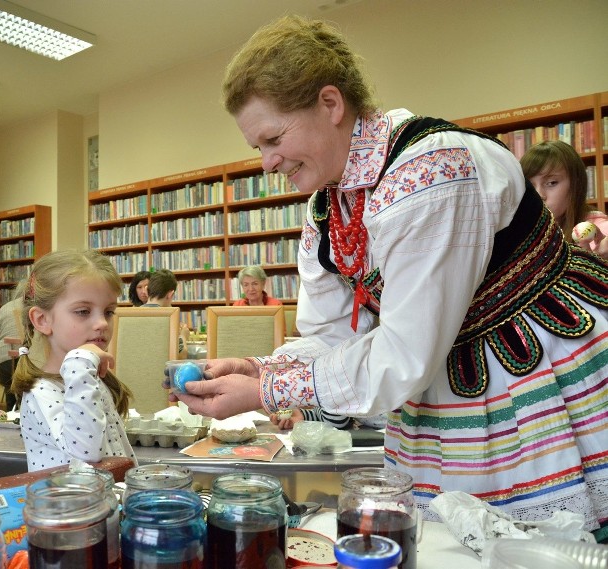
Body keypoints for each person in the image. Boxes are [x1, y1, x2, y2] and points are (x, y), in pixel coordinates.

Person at [174, 15, 608, 539]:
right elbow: (335, 340)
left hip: (533, 371)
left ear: (330, 104)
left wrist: (268, 389)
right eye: (257, 148)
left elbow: (404, 354)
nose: (267, 163)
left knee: (540, 544)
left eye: (273, 138)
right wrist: (255, 367)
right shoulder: (326, 212)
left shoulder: (429, 171)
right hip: (446, 376)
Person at [11, 250, 136, 471]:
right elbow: (86, 452)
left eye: (108, 312)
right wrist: (81, 362)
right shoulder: (41, 392)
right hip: (69, 504)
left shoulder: (86, 378)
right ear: (42, 320)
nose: (102, 323)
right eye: (82, 311)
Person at [520, 140, 608, 258]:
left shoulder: (602, 233)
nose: (539, 195)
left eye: (551, 183)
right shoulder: (520, 236)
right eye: (530, 186)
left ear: (576, 184)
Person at [0, 280, 27, 411]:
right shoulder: (39, 307)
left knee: (11, 389)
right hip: (26, 362)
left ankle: (10, 415)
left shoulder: (6, 307)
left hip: (3, 364)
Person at [142, 268, 190, 357]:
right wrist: (183, 336)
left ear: (146, 290)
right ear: (170, 294)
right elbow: (181, 355)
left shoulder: (128, 316)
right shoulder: (167, 320)